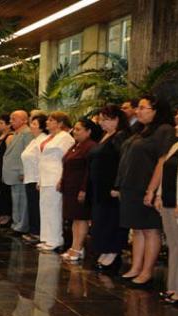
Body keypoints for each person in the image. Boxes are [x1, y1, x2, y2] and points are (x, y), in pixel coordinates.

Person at [117, 95, 178, 287]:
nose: (138, 111)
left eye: (143, 108)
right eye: (138, 108)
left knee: (151, 230)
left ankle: (147, 271)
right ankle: (136, 267)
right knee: (138, 230)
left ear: (156, 110)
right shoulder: (141, 130)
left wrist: (151, 189)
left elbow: (162, 161)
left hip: (146, 186)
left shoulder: (164, 130)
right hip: (132, 186)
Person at [88, 105, 130, 270]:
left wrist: (117, 186)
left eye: (106, 119)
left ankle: (113, 251)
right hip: (99, 186)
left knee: (111, 219)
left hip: (111, 186)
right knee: (100, 219)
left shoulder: (121, 137)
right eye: (101, 119)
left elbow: (123, 162)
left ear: (117, 120)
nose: (102, 123)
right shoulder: (105, 136)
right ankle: (104, 249)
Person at [59, 118, 100, 262]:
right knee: (74, 219)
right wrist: (62, 180)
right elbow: (67, 164)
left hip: (80, 188)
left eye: (78, 129)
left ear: (88, 131)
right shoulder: (76, 146)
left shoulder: (90, 146)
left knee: (81, 218)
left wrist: (84, 189)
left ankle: (78, 247)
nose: (74, 132)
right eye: (74, 129)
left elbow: (88, 171)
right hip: (70, 187)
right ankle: (74, 246)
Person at [153, 107, 178, 303]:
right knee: (173, 245)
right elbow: (165, 172)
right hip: (168, 202)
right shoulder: (175, 146)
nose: (177, 125)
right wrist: (159, 195)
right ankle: (173, 286)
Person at [37, 111, 75, 252]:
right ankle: (46, 237)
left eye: (51, 120)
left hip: (55, 175)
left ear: (60, 123)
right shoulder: (49, 137)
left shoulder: (65, 138)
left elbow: (66, 160)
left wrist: (62, 178)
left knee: (54, 209)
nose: (47, 122)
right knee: (45, 208)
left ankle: (55, 239)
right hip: (45, 176)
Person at [20, 113, 49, 244]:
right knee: (32, 206)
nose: (31, 126)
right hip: (29, 177)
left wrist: (39, 179)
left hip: (37, 178)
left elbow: (41, 161)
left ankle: (37, 232)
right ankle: (33, 230)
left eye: (34, 124)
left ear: (42, 127)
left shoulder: (43, 140)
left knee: (36, 207)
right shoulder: (34, 140)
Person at [2, 111, 31, 234]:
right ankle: (15, 223)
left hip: (19, 172)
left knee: (22, 200)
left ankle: (21, 225)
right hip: (12, 173)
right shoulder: (17, 133)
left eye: (14, 119)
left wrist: (23, 171)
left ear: (24, 120)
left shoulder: (27, 134)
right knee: (16, 199)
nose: (11, 121)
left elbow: (26, 154)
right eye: (11, 118)